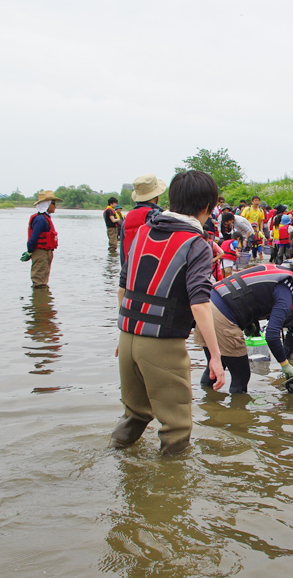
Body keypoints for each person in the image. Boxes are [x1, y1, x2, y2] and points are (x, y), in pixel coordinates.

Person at [110, 170, 225, 455]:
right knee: (177, 429)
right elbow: (199, 304)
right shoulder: (196, 244)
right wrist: (216, 357)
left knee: (135, 415)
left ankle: (113, 459)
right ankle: (169, 492)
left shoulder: (144, 232)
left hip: (128, 339)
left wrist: (124, 332)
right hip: (162, 345)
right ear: (207, 207)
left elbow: (124, 287)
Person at [196, 261, 293, 394]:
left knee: (214, 368)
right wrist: (285, 364)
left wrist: (249, 323)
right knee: (241, 376)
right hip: (222, 315)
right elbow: (272, 335)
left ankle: (208, 405)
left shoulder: (282, 275)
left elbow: (250, 294)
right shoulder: (287, 291)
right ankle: (237, 413)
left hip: (205, 304)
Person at [120, 174, 165, 264]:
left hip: (130, 274)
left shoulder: (126, 220)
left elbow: (122, 255)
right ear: (157, 196)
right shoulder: (158, 218)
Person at [22, 190, 61, 288]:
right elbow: (33, 238)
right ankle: (39, 300)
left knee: (43, 279)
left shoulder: (45, 218)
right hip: (40, 253)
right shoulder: (40, 219)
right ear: (47, 204)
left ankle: (43, 301)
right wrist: (30, 252)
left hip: (46, 252)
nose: (55, 206)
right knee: (39, 280)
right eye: (53, 203)